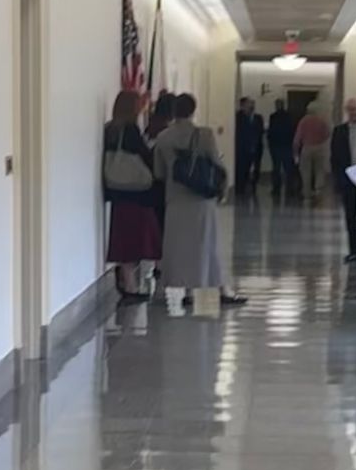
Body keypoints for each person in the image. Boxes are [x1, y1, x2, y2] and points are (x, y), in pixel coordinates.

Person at [155, 94, 243, 309]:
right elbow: (216, 164)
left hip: (175, 199)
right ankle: (221, 289)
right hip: (201, 200)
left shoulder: (163, 137)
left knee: (179, 247)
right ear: (193, 110)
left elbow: (158, 172)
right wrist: (223, 189)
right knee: (206, 246)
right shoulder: (204, 135)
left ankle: (186, 292)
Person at [103, 90, 160, 303]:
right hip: (137, 192)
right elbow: (144, 155)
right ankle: (130, 285)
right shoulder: (130, 130)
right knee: (136, 240)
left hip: (117, 191)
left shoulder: (109, 129)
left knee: (123, 238)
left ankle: (128, 281)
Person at [330, 97, 356, 261]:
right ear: (346, 112)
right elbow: (334, 157)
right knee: (350, 216)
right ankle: (354, 250)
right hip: (348, 179)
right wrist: (337, 180)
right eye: (352, 110)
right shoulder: (339, 131)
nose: (355, 113)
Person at [294, 97, 332, 205]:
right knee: (320, 171)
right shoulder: (321, 120)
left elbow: (298, 137)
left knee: (305, 172)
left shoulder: (304, 121)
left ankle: (306, 195)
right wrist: (321, 140)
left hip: (307, 147)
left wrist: (296, 151)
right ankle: (318, 192)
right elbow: (328, 133)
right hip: (320, 147)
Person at [266, 98, 297, 200]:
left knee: (278, 168)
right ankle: (288, 189)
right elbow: (292, 130)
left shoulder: (274, 117)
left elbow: (271, 131)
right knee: (286, 168)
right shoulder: (288, 116)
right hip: (284, 145)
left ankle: (278, 188)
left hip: (278, 145)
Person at [233, 94, 264, 198]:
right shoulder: (237, 117)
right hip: (242, 148)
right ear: (242, 105)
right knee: (242, 168)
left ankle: (253, 186)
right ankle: (240, 188)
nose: (251, 105)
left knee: (256, 168)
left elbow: (260, 131)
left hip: (256, 147)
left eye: (252, 103)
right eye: (249, 103)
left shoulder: (258, 118)